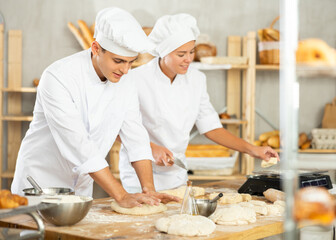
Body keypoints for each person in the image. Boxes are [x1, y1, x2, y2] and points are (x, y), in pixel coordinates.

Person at [11, 7, 177, 207]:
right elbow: (79, 145)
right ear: (96, 48)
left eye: (131, 63)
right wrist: (122, 195)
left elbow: (135, 136)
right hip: (41, 183)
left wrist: (149, 190)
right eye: (119, 61)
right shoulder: (58, 78)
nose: (125, 70)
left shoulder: (126, 80)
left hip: (81, 187)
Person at [119, 14, 280, 192]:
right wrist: (151, 148)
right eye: (181, 54)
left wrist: (253, 150)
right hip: (138, 175)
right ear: (164, 52)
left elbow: (211, 127)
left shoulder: (196, 79)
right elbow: (118, 126)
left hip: (175, 173)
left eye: (191, 51)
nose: (189, 59)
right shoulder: (135, 80)